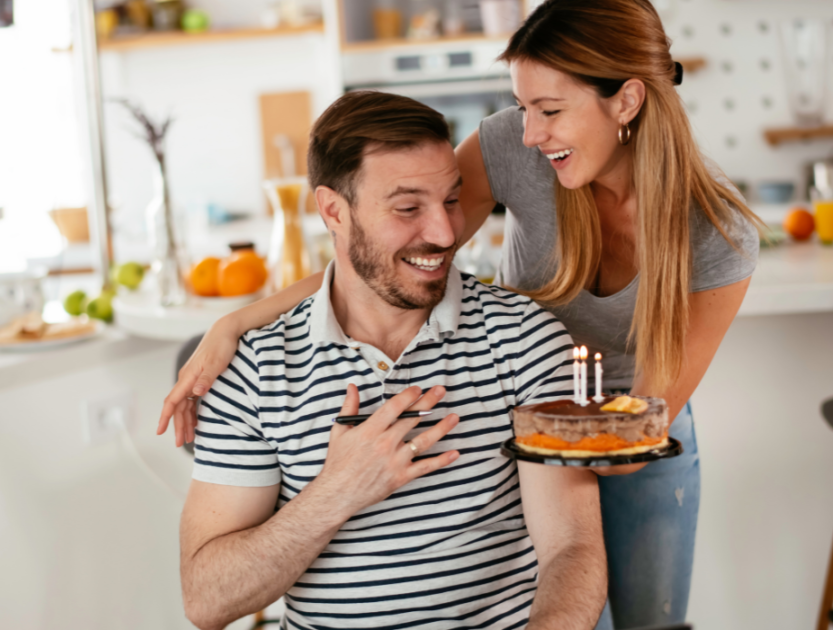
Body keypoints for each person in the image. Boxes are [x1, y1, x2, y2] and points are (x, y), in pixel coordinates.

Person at [161, 1, 761, 627]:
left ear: (627, 101)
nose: (529, 132)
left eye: (550, 111)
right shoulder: (519, 149)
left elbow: (636, 441)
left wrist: (518, 446)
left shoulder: (719, 238)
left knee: (644, 619)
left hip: (630, 428)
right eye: (524, 107)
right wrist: (237, 321)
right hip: (532, 393)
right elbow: (397, 254)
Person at [178, 90, 607, 630]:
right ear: (333, 210)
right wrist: (337, 492)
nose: (445, 233)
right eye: (408, 208)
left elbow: (573, 548)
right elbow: (207, 600)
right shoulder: (253, 369)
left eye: (452, 200)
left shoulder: (525, 340)